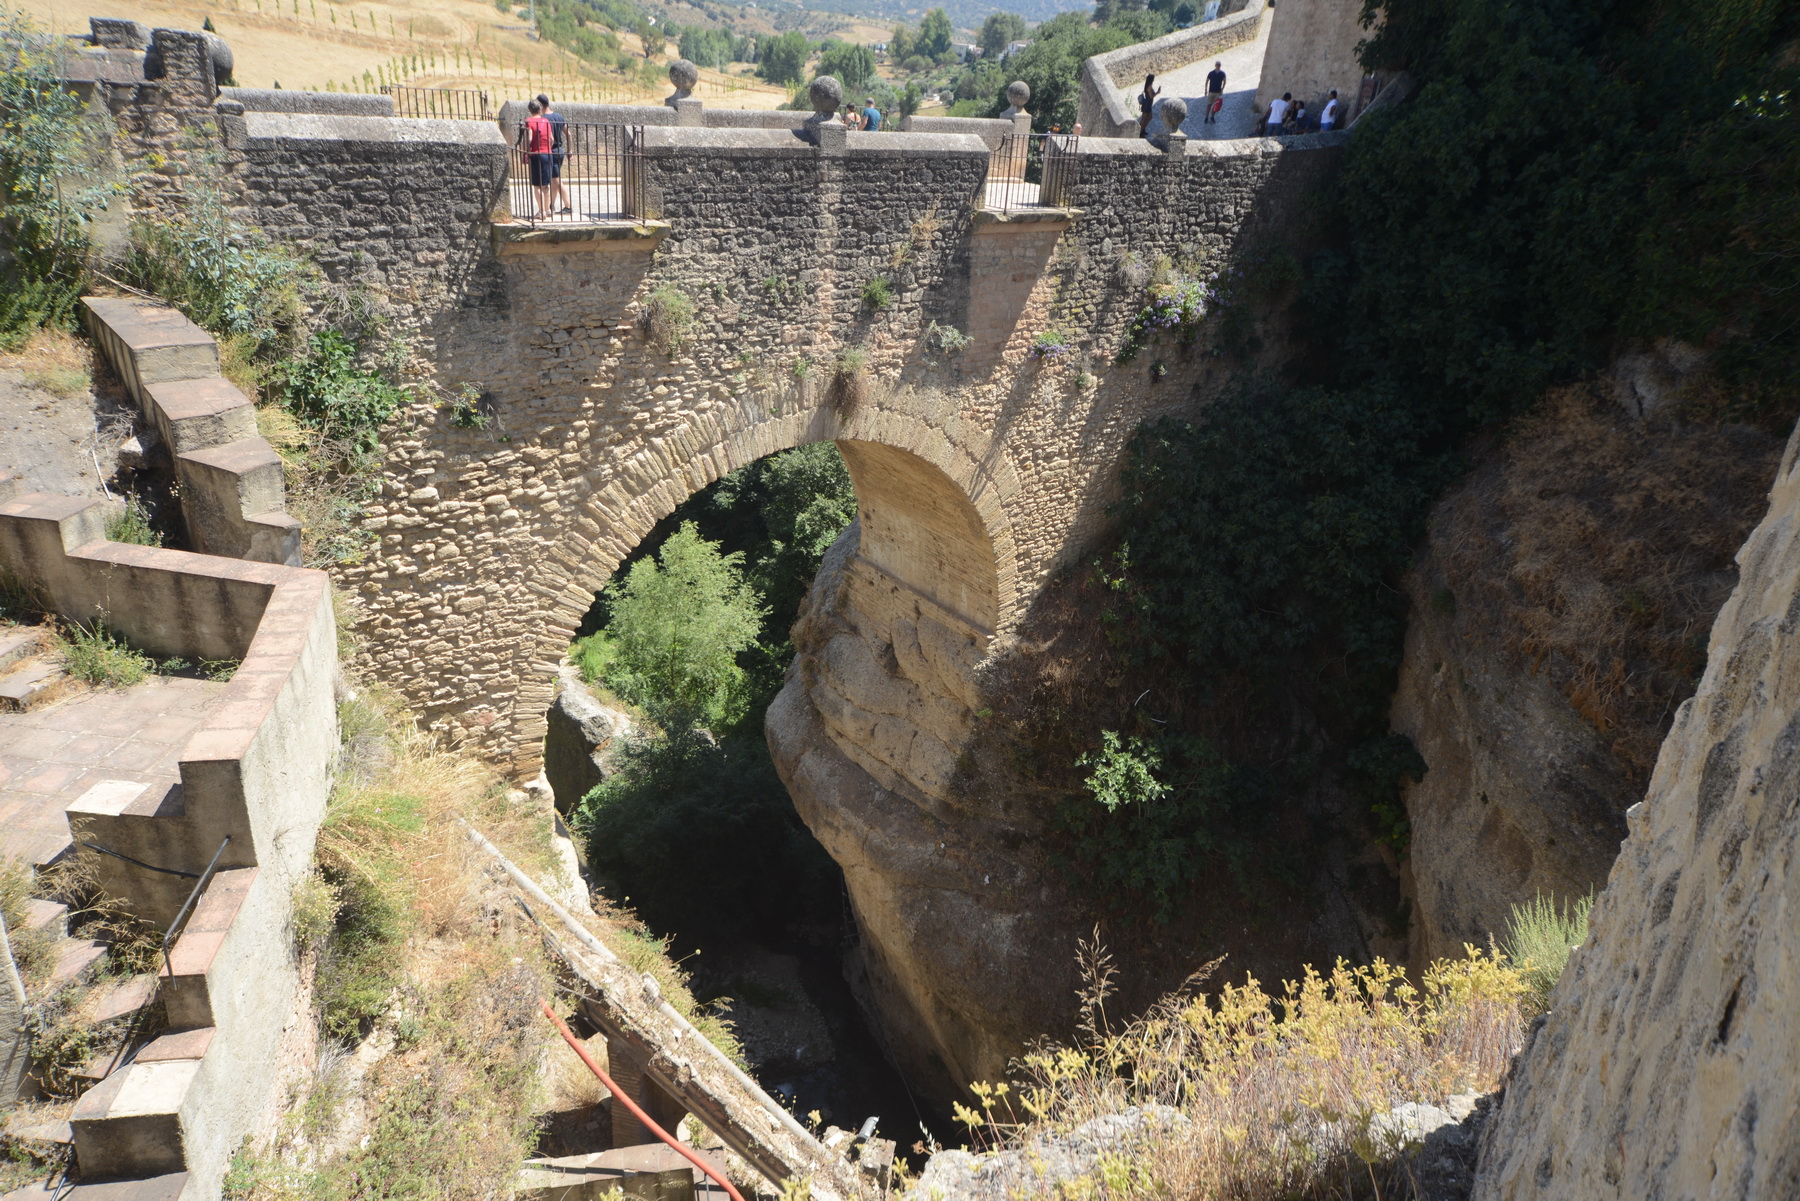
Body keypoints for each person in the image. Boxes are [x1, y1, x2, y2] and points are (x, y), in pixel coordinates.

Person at [517, 98, 555, 219]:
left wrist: (525, 153)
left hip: (536, 154)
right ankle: (548, 210)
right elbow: (552, 139)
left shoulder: (528, 122)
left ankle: (541, 211)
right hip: (548, 154)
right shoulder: (546, 121)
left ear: (530, 110)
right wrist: (547, 149)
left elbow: (528, 139)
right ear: (540, 109)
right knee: (546, 185)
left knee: (537, 186)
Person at [536, 93, 570, 216]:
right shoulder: (559, 116)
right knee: (554, 179)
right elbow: (569, 134)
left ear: (540, 105)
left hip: (552, 151)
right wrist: (569, 151)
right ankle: (551, 205)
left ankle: (568, 206)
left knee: (556, 180)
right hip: (560, 151)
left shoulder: (543, 119)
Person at [1137, 73, 1160, 138]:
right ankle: (1139, 132)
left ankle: (1142, 129)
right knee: (1144, 119)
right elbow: (1151, 96)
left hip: (1148, 104)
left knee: (1149, 117)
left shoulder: (1148, 85)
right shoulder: (1149, 87)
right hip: (1147, 104)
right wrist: (1157, 93)